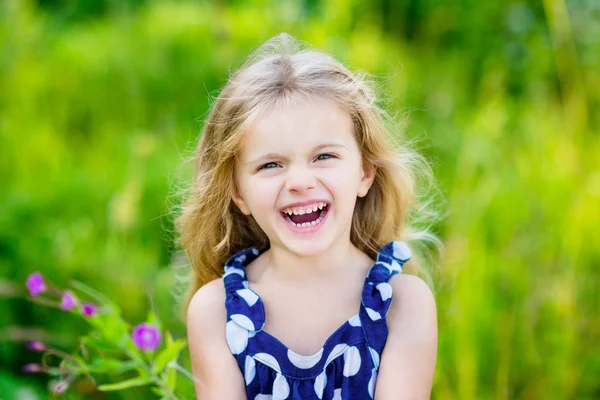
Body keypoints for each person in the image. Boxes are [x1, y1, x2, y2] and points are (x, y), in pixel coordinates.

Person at [178, 32, 443, 399]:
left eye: (324, 157)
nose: (300, 182)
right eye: (271, 164)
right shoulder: (216, 313)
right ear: (238, 193)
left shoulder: (402, 304)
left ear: (365, 172)